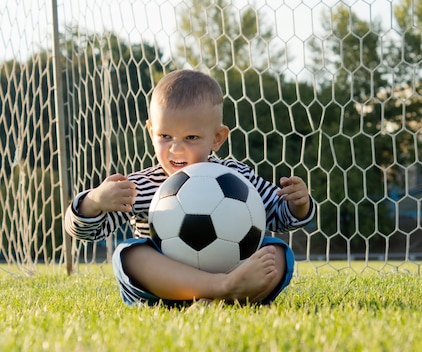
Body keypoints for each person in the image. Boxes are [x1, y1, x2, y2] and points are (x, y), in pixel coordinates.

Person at [65, 69, 315, 307]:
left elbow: (278, 215)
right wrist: (94, 201)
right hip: (165, 290)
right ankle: (223, 288)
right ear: (151, 131)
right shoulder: (139, 186)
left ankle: (222, 292)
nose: (175, 149)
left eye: (191, 138)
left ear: (217, 138)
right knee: (127, 255)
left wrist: (298, 204)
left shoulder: (237, 177)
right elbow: (88, 232)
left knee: (277, 252)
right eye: (165, 136)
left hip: (230, 266)